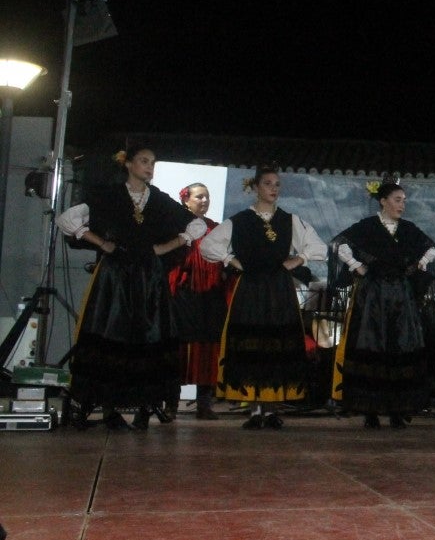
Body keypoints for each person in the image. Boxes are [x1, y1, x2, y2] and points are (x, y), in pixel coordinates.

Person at [57, 146, 204, 430]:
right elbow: (68, 220)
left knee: (147, 337)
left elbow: (195, 226)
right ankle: (110, 407)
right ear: (129, 164)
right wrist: (102, 243)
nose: (150, 167)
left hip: (149, 277)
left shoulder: (159, 200)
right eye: (144, 161)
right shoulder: (109, 196)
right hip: (115, 276)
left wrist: (166, 246)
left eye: (153, 163)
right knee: (113, 334)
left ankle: (143, 407)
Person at [200, 166, 327, 429]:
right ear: (256, 186)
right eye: (268, 183)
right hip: (251, 288)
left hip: (279, 288)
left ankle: (270, 410)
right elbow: (208, 245)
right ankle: (254, 409)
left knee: (276, 344)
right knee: (253, 343)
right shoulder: (240, 220)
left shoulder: (289, 220)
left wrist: (297, 260)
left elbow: (317, 247)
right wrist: (231, 260)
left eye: (277, 184)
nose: (274, 189)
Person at [331, 181, 435, 429]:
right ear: (383, 201)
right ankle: (371, 410)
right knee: (373, 344)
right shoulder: (368, 227)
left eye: (404, 200)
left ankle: (397, 409)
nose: (402, 204)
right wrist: (356, 266)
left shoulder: (408, 229)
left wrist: (419, 264)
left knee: (399, 346)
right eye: (398, 199)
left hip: (401, 296)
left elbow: (431, 248)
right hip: (374, 296)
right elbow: (341, 244)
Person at [167, 183, 228, 420]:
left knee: (208, 348)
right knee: (179, 346)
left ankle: (204, 403)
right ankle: (171, 402)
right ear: (186, 200)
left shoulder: (216, 229)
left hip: (210, 297)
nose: (204, 200)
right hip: (184, 294)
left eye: (207, 197)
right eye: (199, 196)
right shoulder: (177, 227)